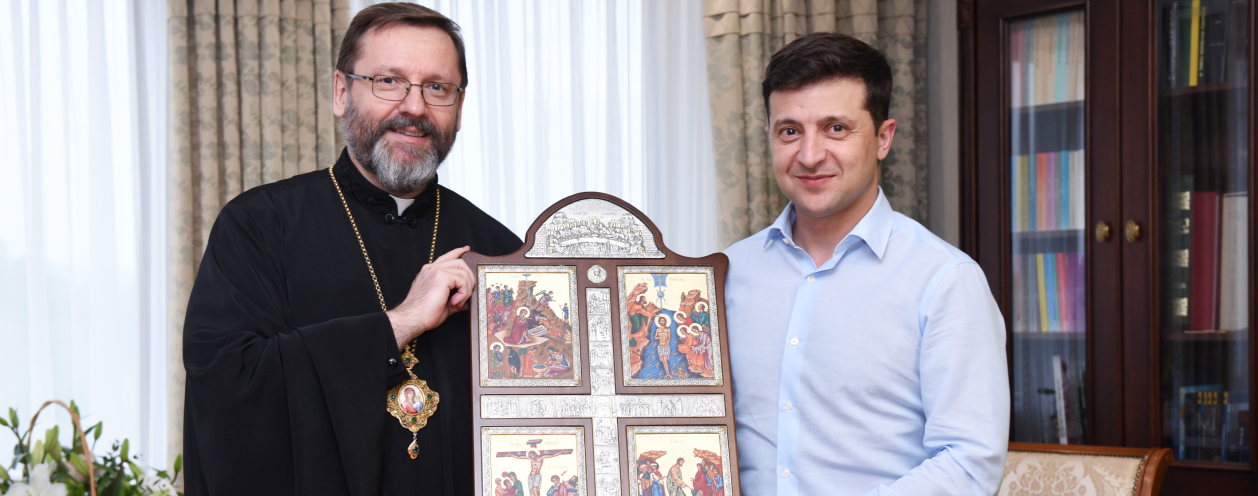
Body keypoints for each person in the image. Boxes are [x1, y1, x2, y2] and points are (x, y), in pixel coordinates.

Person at [181, 4, 523, 495]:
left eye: (436, 87)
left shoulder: (500, 253)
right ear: (342, 92)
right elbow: (229, 388)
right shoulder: (259, 226)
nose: (414, 107)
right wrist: (400, 323)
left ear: (460, 107)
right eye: (389, 81)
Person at [723, 33, 1009, 494]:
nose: (810, 155)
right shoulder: (726, 274)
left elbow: (970, 461)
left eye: (836, 128)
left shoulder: (945, 281)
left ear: (883, 138)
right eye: (790, 131)